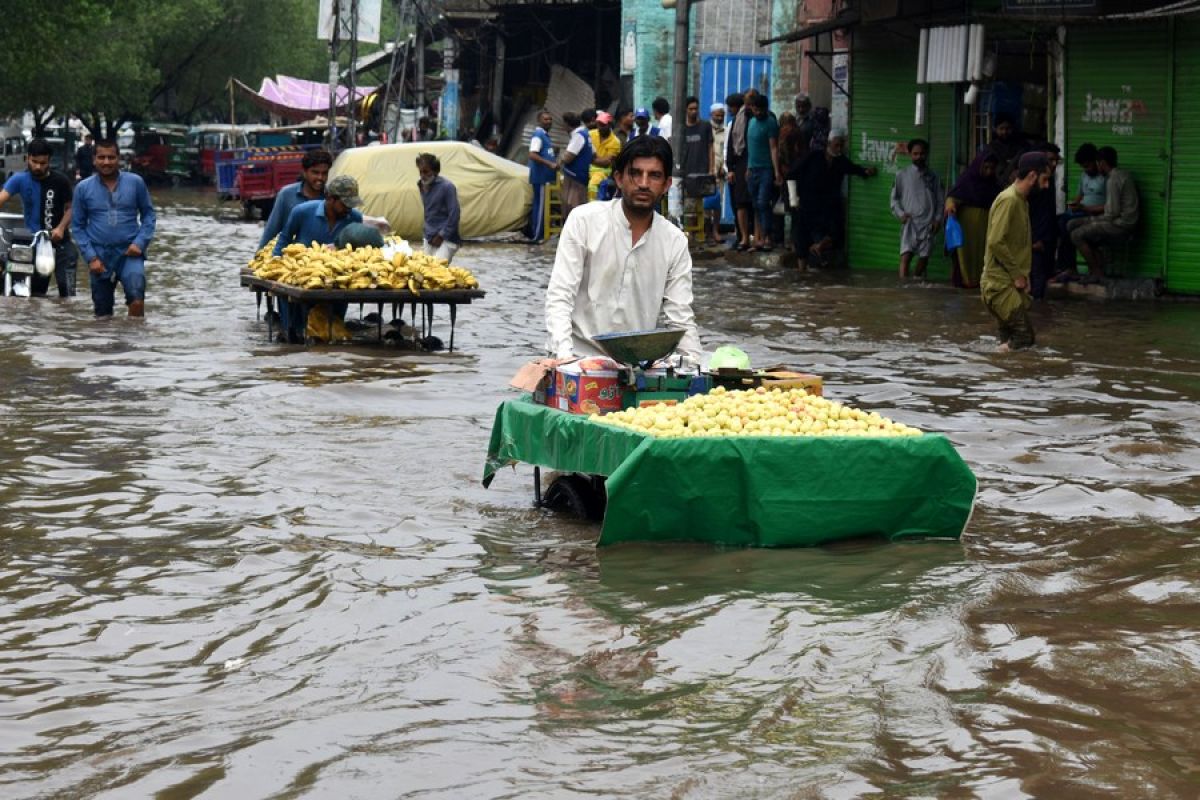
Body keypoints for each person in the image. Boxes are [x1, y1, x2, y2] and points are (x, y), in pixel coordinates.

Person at [545, 135, 702, 364]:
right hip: (577, 359)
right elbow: (560, 297)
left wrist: (695, 367)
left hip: (635, 367)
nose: (644, 183)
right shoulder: (584, 221)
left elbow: (680, 317)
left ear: (667, 185)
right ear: (619, 178)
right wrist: (564, 358)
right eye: (635, 173)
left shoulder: (674, 241)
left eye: (654, 176)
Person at [270, 175, 365, 342]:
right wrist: (275, 265)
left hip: (334, 280)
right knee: (295, 334)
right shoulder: (302, 212)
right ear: (330, 198)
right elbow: (284, 239)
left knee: (330, 334)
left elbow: (358, 248)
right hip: (300, 276)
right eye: (345, 204)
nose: (348, 209)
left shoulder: (354, 218)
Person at [71, 139, 155, 318]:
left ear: (119, 159)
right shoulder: (82, 189)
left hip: (130, 253)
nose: (106, 162)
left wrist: (140, 243)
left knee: (137, 298)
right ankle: (106, 345)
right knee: (103, 314)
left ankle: (135, 342)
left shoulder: (136, 182)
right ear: (94, 159)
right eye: (101, 157)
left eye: (111, 157)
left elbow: (149, 216)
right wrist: (90, 257)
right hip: (99, 255)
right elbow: (77, 227)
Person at [981, 152, 1050, 352]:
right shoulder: (1009, 200)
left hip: (1005, 284)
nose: (1046, 186)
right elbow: (995, 242)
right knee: (1024, 338)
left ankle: (1003, 377)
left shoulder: (1021, 200)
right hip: (1000, 285)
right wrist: (1017, 275)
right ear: (1032, 177)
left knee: (1010, 339)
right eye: (1045, 180)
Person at [0, 138, 79, 297]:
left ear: (49, 160)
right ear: (27, 158)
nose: (38, 167)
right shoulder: (19, 179)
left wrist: (61, 228)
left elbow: (72, 208)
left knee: (67, 290)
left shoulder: (61, 181)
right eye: (34, 161)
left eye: (43, 163)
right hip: (34, 242)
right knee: (34, 293)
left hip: (60, 241)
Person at [789, 129, 876, 268]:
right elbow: (792, 174)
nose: (839, 148)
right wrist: (794, 200)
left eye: (841, 145)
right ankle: (802, 273)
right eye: (836, 145)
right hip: (805, 205)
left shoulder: (840, 161)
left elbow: (853, 168)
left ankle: (818, 251)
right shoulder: (813, 157)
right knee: (801, 239)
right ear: (828, 143)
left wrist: (865, 171)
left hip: (825, 207)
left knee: (834, 233)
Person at [1068, 146, 1138, 283]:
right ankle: (1097, 267)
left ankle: (1096, 272)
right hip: (1118, 220)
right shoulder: (1121, 174)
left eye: (1097, 163)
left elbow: (1111, 214)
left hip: (1121, 224)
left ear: (1102, 163)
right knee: (1073, 224)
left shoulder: (1113, 180)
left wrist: (1091, 218)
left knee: (1076, 234)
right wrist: (1091, 219)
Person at [889, 138, 944, 279]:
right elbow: (894, 200)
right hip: (910, 223)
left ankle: (915, 286)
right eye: (915, 154)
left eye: (922, 154)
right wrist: (901, 214)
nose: (919, 157)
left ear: (926, 154)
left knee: (924, 258)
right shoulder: (901, 175)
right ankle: (903, 290)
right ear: (910, 154)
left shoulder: (934, 177)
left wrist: (938, 219)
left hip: (928, 224)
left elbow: (940, 201)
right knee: (905, 257)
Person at [944, 153, 1001, 288]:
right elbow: (953, 197)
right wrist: (950, 206)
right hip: (966, 230)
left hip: (986, 230)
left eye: (991, 169)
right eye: (985, 168)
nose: (988, 172)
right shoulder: (966, 181)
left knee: (984, 257)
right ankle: (965, 287)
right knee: (964, 260)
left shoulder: (994, 185)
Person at [258, 148, 332, 249]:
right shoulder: (286, 195)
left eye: (324, 173)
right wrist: (259, 256)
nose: (320, 178)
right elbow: (272, 229)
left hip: (319, 257)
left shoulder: (331, 198)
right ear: (304, 172)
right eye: (315, 172)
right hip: (290, 255)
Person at [1054, 142, 1106, 282]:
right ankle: (1065, 266)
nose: (1086, 169)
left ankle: (1068, 267)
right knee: (1057, 222)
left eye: (1088, 166)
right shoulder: (1084, 176)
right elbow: (1080, 196)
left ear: (1096, 162)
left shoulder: (1106, 178)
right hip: (1081, 211)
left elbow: (1110, 206)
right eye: (1083, 167)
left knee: (1066, 224)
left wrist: (1084, 208)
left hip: (1095, 214)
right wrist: (1075, 204)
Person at [745, 93, 781, 251]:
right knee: (755, 204)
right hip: (752, 169)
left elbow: (774, 148)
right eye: (755, 109)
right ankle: (758, 238)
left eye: (761, 110)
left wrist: (777, 171)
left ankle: (768, 237)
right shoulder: (751, 122)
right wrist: (748, 167)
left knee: (763, 202)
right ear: (752, 108)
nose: (758, 112)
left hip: (766, 168)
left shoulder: (771, 123)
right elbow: (750, 148)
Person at [1028, 144, 1061, 299]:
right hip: (1035, 239)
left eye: (1056, 160)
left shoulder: (1049, 180)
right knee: (1037, 279)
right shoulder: (1031, 184)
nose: (1054, 164)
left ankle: (1041, 317)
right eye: (1050, 160)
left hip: (1048, 238)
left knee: (1043, 278)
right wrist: (1033, 240)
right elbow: (1025, 216)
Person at [416, 152, 461, 262]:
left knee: (438, 270)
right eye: (420, 172)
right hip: (429, 236)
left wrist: (442, 235)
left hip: (446, 239)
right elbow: (429, 212)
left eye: (426, 172)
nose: (422, 175)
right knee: (426, 272)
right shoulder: (422, 185)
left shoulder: (447, 187)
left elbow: (454, 214)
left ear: (436, 171)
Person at [679, 96, 713, 239]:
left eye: (696, 109)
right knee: (690, 206)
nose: (694, 111)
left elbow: (710, 148)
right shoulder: (682, 128)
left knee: (706, 206)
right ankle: (691, 234)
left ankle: (706, 234)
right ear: (686, 110)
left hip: (703, 172)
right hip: (687, 172)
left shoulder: (705, 126)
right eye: (691, 109)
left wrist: (711, 169)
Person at [723, 90, 753, 250]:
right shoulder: (736, 121)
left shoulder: (750, 119)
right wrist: (730, 168)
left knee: (749, 202)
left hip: (747, 165)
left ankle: (750, 236)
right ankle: (743, 237)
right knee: (739, 203)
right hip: (737, 167)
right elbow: (730, 146)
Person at [527, 109, 557, 243]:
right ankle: (537, 236)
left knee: (542, 206)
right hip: (541, 177)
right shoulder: (538, 135)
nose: (549, 122)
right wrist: (549, 164)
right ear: (539, 120)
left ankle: (540, 233)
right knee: (540, 207)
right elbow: (533, 154)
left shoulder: (545, 136)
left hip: (546, 177)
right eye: (546, 119)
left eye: (550, 119)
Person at [560, 111, 593, 220]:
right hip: (581, 176)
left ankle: (572, 233)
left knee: (571, 205)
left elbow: (568, 157)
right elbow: (594, 155)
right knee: (579, 204)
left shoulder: (578, 136)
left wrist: (560, 160)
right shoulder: (586, 134)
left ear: (567, 124)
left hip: (574, 177)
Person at [704, 102, 727, 246]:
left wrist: (724, 168)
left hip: (720, 172)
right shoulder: (706, 129)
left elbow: (726, 151)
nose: (719, 118)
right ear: (711, 115)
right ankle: (706, 232)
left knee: (717, 204)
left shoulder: (726, 130)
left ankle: (716, 231)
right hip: (706, 172)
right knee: (705, 205)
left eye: (721, 115)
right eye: (717, 115)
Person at [588, 111, 621, 200]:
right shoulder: (591, 134)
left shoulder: (615, 142)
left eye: (603, 125)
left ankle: (593, 208)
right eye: (598, 124)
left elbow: (606, 163)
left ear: (609, 125)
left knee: (593, 185)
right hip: (587, 168)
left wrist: (590, 158)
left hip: (603, 171)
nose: (600, 127)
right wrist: (596, 160)